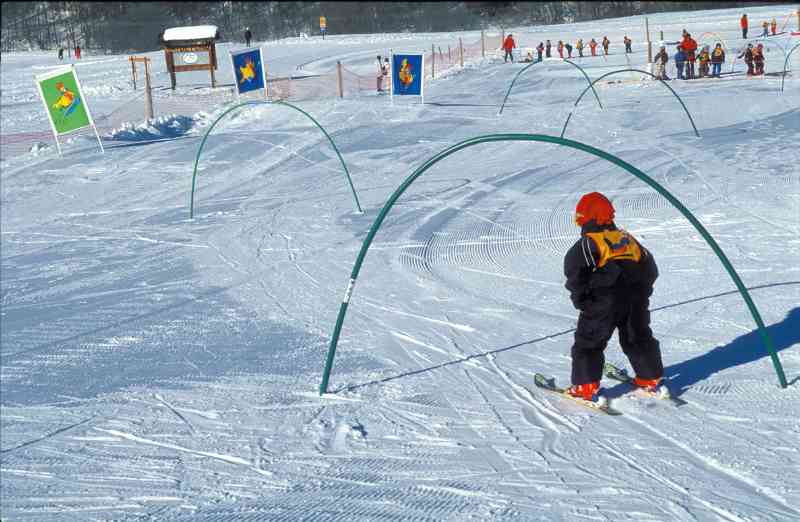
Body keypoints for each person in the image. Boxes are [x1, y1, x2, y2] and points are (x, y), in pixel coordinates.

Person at [563, 192, 663, 401]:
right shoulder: (627, 238)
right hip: (635, 301)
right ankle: (649, 377)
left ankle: (585, 385)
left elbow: (575, 273)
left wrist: (583, 300)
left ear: (586, 217)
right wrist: (643, 292)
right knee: (638, 337)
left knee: (589, 341)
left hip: (603, 303)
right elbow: (650, 268)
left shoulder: (588, 244)